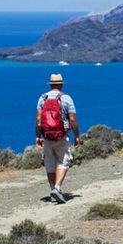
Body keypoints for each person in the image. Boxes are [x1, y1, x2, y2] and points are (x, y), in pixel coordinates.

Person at [35, 73, 80, 203]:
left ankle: (52, 192)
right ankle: (57, 188)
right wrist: (77, 136)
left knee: (49, 164)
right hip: (61, 136)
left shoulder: (42, 98)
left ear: (50, 85)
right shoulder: (66, 98)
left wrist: (38, 136)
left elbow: (38, 119)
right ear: (61, 85)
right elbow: (72, 119)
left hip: (47, 136)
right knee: (63, 161)